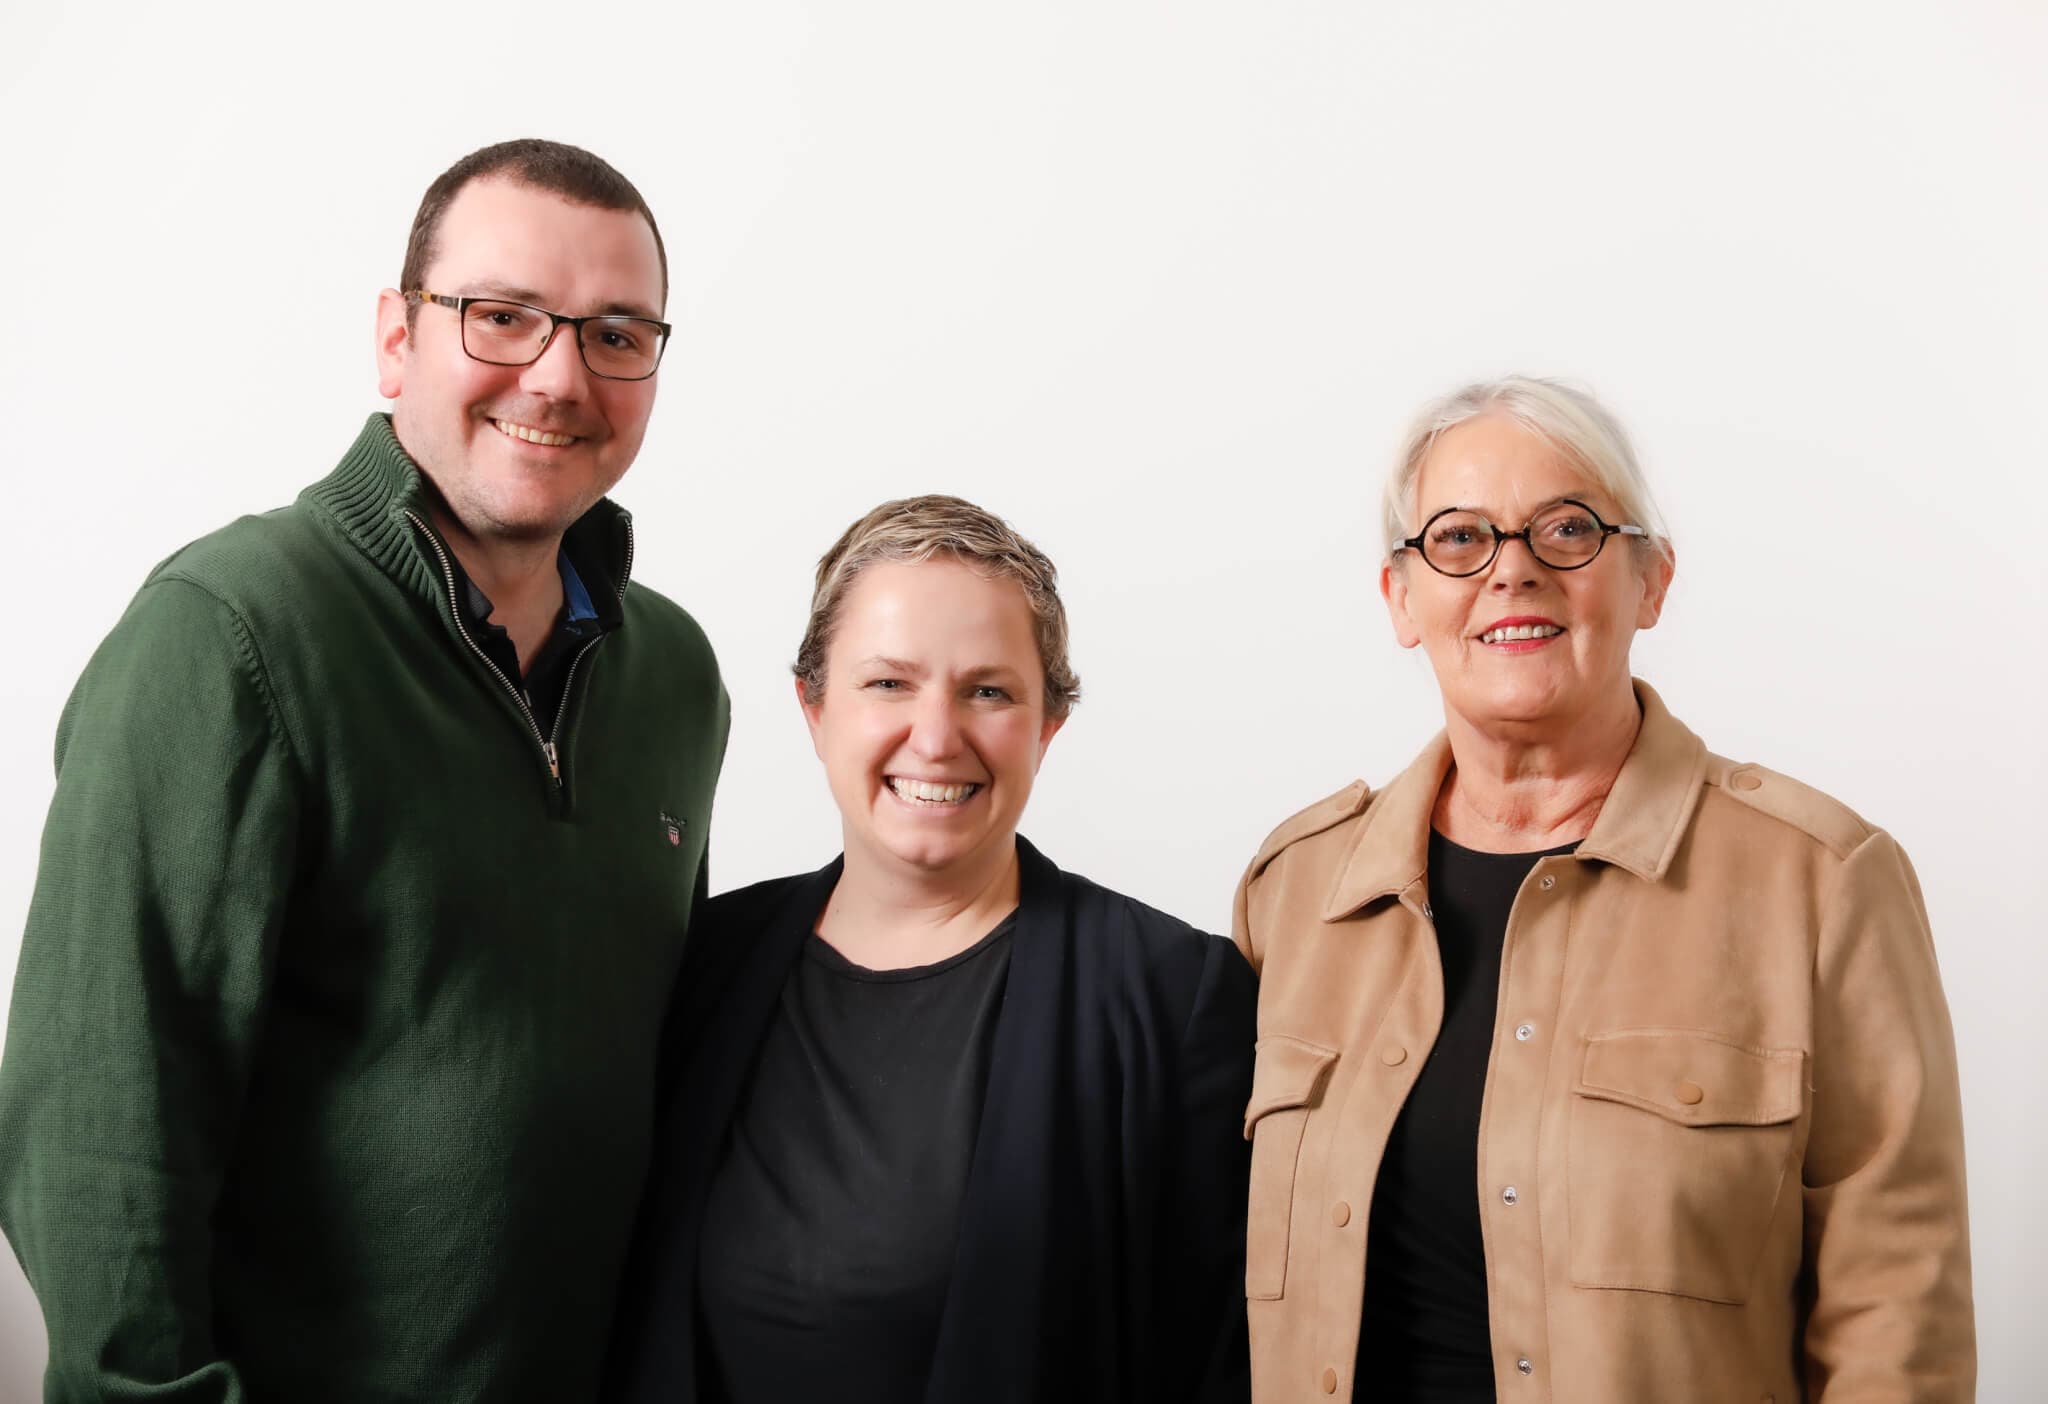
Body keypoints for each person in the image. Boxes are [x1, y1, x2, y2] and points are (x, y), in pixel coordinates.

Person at [0, 139, 728, 1402]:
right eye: (501, 318)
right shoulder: (228, 631)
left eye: (616, 333)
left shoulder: (670, 673)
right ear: (397, 339)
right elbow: (98, 1137)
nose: (558, 377)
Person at [1233, 377, 1973, 1403]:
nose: (1511, 573)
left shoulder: (1820, 882)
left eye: (1565, 530)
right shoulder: (1294, 894)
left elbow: (1898, 1318)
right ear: (1400, 598)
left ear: (1650, 580)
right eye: (1457, 540)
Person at [606, 496, 1256, 1404]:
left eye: (988, 690)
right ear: (814, 708)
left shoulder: (1174, 997)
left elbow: (1221, 1366)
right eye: (889, 683)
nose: (938, 736)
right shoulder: (701, 964)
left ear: (1047, 725)